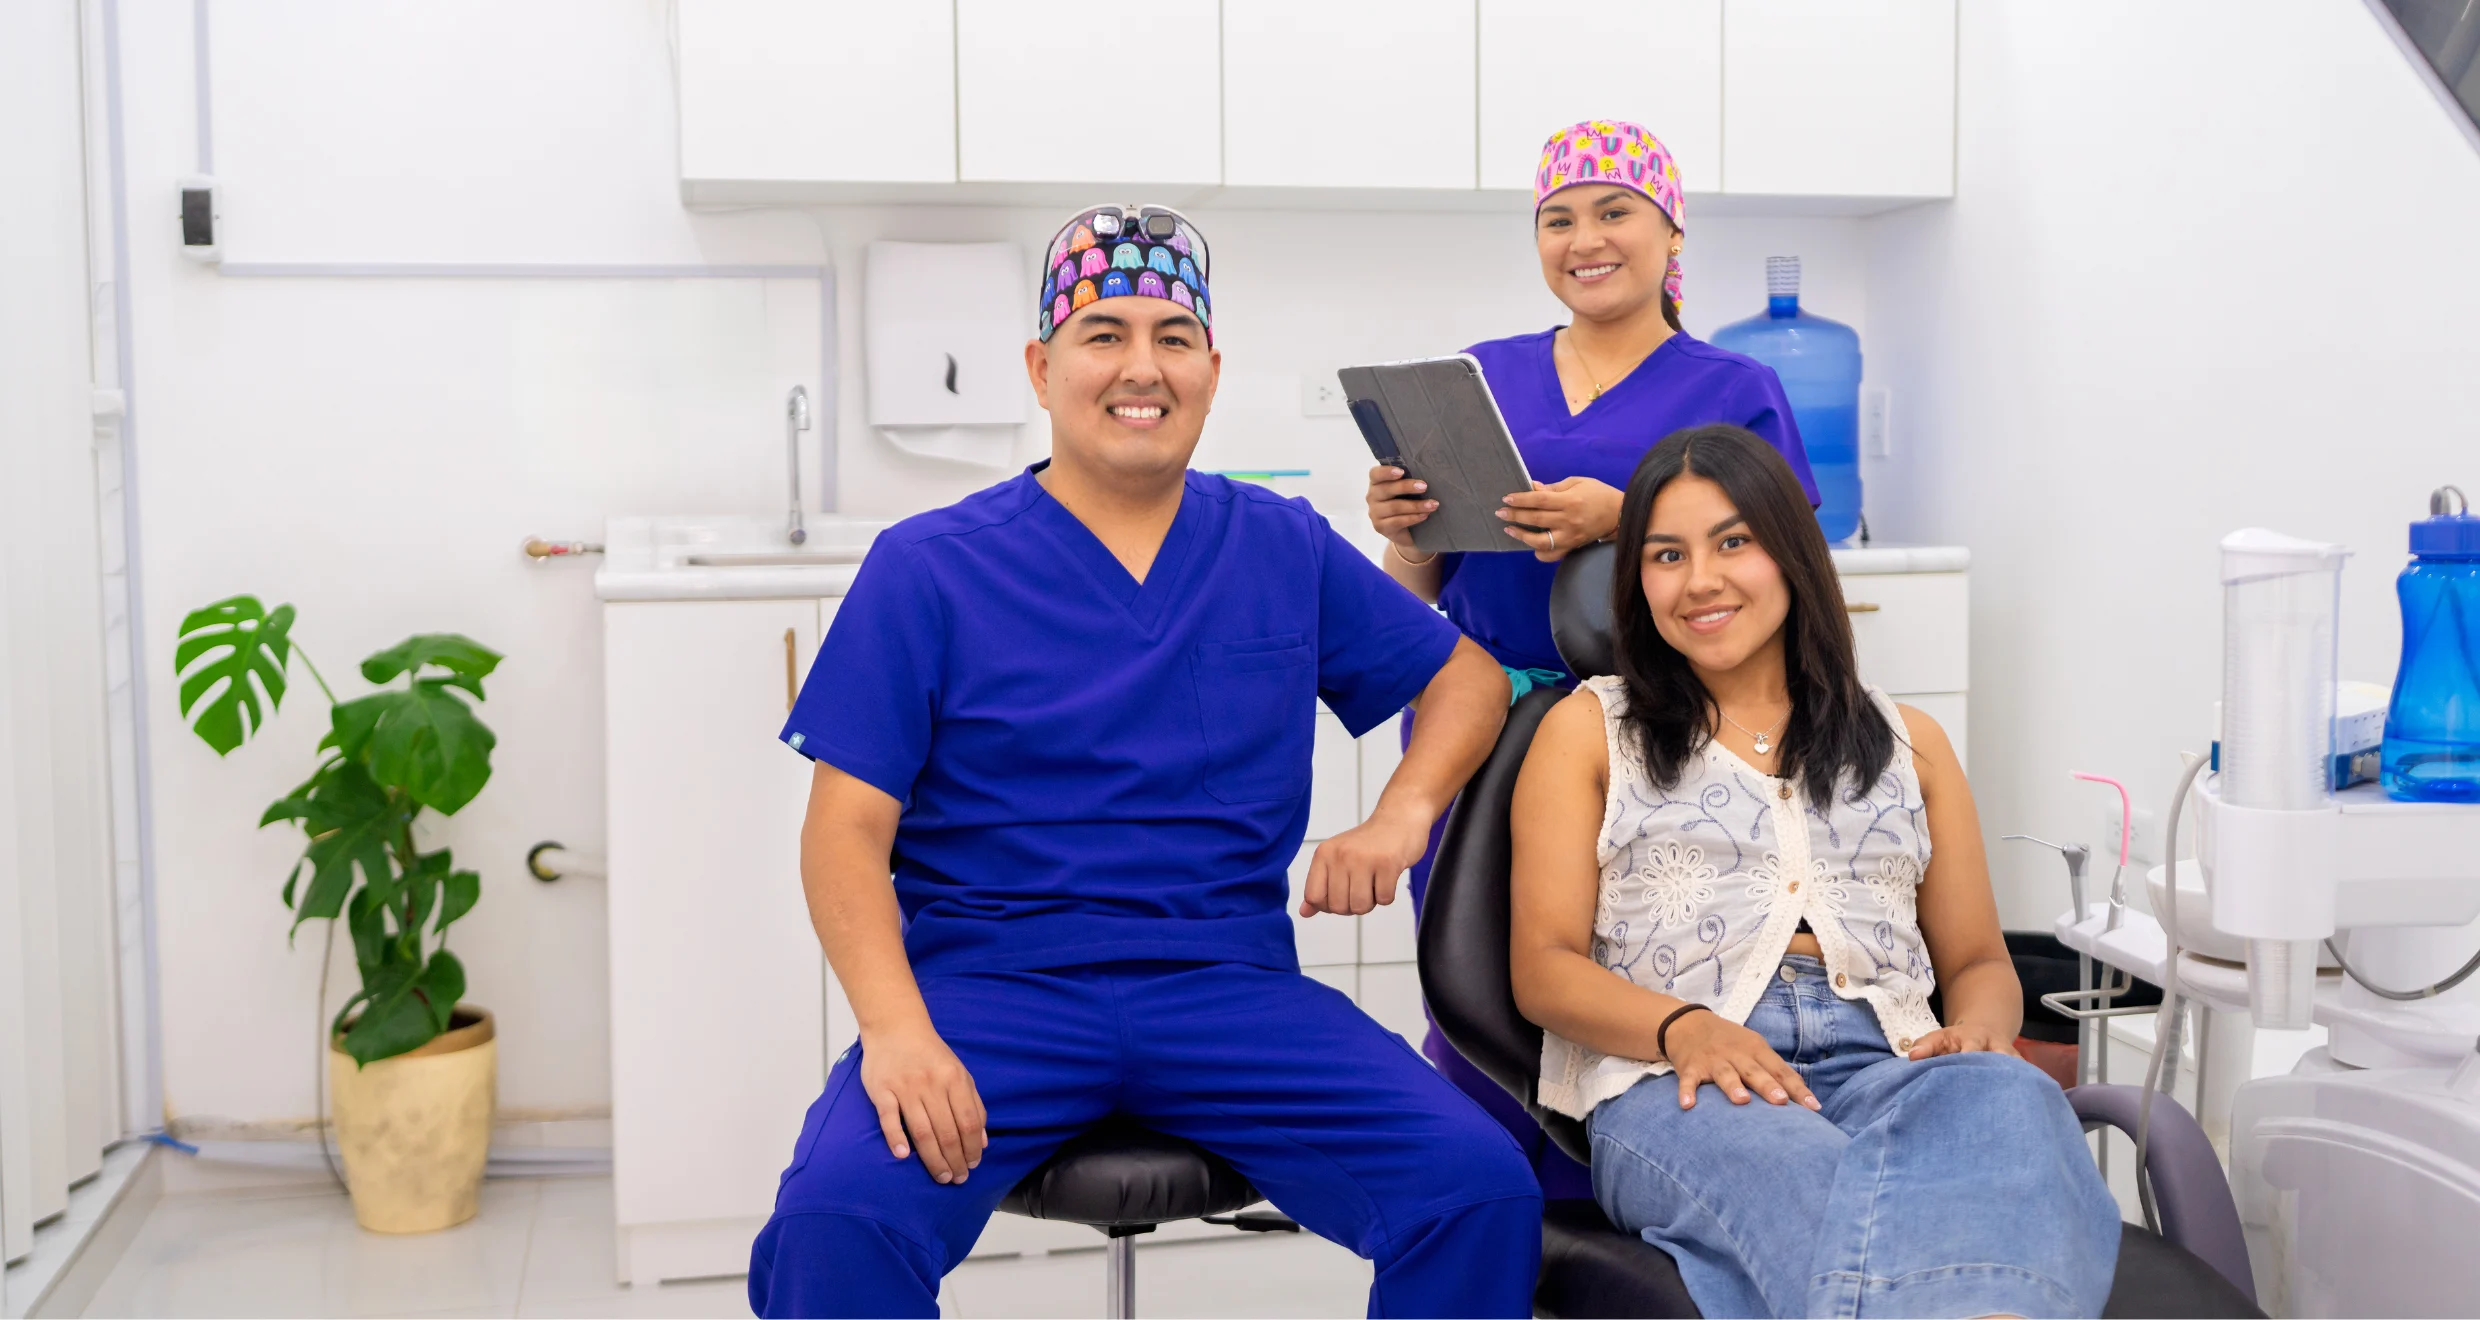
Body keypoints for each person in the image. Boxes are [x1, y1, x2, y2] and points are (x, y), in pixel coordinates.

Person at [748, 204, 1542, 1318]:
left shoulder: (1277, 542)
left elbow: (1461, 678)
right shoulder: (927, 567)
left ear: (1211, 370)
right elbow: (842, 831)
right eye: (1103, 333)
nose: (1142, 367)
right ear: (1040, 366)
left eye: (1173, 337)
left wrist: (1400, 814)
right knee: (833, 1224)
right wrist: (894, 1030)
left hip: (1225, 987)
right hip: (991, 992)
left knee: (1475, 1191)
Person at [1508, 424, 2120, 1318]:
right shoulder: (1590, 729)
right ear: (1636, 582)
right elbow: (1544, 965)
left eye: (1733, 542)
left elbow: (1980, 965)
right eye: (1665, 554)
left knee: (2017, 1102)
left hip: (1896, 1065)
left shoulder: (1913, 745)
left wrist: (1981, 1035)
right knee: (1808, 1172)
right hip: (1676, 1080)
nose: (1701, 580)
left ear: (1791, 556)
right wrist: (1686, 1030)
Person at [1365, 118, 1819, 1198]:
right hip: (1476, 724)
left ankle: (1617, 1226)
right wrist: (1401, 527)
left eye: (1614, 211)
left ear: (1670, 235)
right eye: (1557, 219)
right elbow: (1410, 590)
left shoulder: (1732, 387)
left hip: (1655, 736)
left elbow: (1787, 580)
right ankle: (1484, 1229)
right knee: (1475, 990)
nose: (1585, 238)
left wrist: (1629, 520)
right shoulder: (1477, 375)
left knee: (1624, 987)